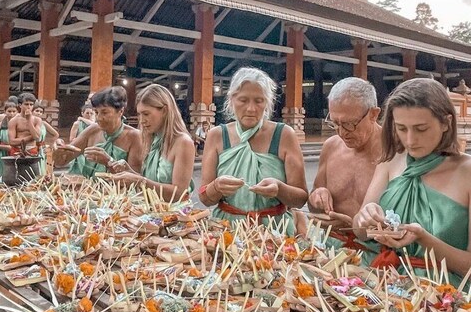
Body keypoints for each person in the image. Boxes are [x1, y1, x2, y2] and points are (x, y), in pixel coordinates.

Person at [354, 78, 471, 285]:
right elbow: (359, 232)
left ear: (446, 123)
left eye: (421, 129)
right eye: (402, 128)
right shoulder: (391, 161)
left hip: (441, 293)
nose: (410, 140)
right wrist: (365, 216)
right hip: (380, 282)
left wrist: (424, 239)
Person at [199, 67, 307, 233]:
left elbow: (300, 198)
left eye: (259, 101)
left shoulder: (284, 135)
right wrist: (216, 187)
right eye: (243, 100)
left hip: (275, 232)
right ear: (231, 99)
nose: (251, 108)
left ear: (268, 102)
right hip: (227, 231)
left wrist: (279, 189)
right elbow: (204, 198)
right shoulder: (217, 136)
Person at [308, 78, 381, 230]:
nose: (342, 133)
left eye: (349, 124)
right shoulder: (331, 146)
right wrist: (317, 197)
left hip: (379, 249)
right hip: (334, 245)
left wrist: (354, 226)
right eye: (335, 123)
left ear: (373, 115)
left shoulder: (394, 152)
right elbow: (313, 205)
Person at [111, 84, 195, 200]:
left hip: (175, 215)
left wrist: (139, 181)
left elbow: (179, 193)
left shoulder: (183, 142)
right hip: (151, 212)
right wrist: (129, 172)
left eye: (146, 114)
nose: (142, 120)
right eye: (139, 114)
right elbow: (152, 183)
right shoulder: (152, 139)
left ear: (165, 110)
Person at [63, 87, 142, 178]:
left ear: (120, 111)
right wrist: (59, 150)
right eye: (96, 112)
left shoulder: (134, 136)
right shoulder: (92, 130)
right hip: (90, 190)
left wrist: (108, 161)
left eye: (104, 112)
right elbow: (63, 160)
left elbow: (134, 180)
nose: (99, 118)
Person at [0, 101, 18, 181]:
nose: (11, 114)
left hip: (16, 153)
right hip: (2, 154)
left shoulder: (19, 125)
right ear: (5, 112)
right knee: (1, 176)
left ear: (17, 112)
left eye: (14, 111)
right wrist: (5, 147)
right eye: (9, 111)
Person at [32, 103, 62, 175]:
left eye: (41, 112)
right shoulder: (29, 122)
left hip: (41, 148)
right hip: (31, 147)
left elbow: (55, 134)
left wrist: (51, 145)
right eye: (37, 111)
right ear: (32, 111)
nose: (38, 113)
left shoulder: (44, 123)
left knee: (41, 169)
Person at [68, 103, 96, 175]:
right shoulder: (77, 124)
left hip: (91, 151)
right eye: (87, 113)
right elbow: (71, 139)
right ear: (82, 113)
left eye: (91, 113)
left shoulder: (95, 125)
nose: (89, 115)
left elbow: (94, 125)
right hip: (80, 152)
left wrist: (82, 118)